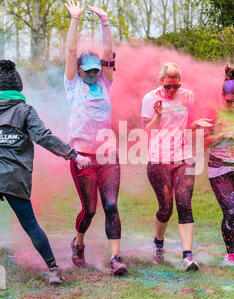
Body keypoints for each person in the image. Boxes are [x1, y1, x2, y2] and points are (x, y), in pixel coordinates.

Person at [0, 59, 90, 284]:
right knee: (30, 225)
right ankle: (54, 270)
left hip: (11, 176)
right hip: (15, 178)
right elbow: (44, 137)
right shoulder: (25, 110)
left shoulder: (24, 111)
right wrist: (74, 155)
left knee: (30, 224)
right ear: (18, 87)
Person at [64, 1, 127, 275]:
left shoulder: (105, 82)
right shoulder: (72, 84)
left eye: (95, 70)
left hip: (107, 155)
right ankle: (78, 245)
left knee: (111, 204)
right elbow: (69, 52)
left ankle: (116, 259)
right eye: (88, 70)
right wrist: (75, 20)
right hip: (82, 157)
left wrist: (105, 21)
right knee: (89, 209)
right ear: (79, 71)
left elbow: (109, 54)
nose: (92, 74)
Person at [195, 65, 234, 266]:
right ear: (222, 97)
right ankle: (229, 252)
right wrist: (223, 134)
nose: (232, 106)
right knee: (230, 211)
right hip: (219, 168)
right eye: (229, 102)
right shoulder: (211, 112)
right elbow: (203, 142)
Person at [141, 62, 199, 271]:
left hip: (184, 157)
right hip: (159, 159)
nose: (173, 90)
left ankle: (187, 256)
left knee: (185, 204)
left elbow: (188, 124)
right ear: (161, 82)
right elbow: (147, 132)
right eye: (168, 87)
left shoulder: (188, 96)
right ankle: (158, 243)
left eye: (176, 86)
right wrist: (157, 115)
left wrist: (197, 124)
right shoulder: (150, 98)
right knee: (166, 208)